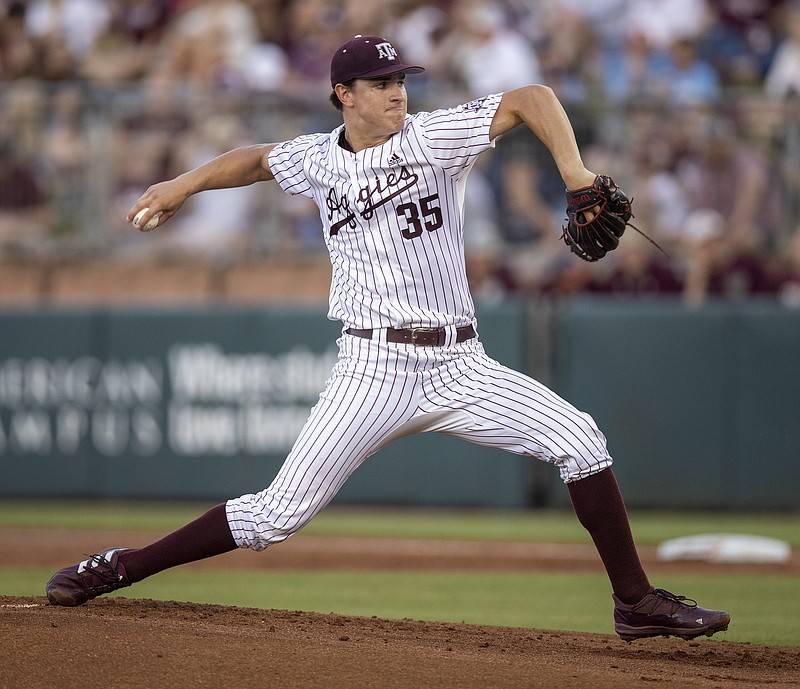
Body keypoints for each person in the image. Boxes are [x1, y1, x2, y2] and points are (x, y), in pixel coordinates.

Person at [45, 34, 730, 643]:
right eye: (380, 83)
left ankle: (636, 602)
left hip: (461, 364)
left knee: (580, 441)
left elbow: (533, 97)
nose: (397, 91)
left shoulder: (433, 137)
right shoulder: (318, 159)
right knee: (275, 515)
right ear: (343, 94)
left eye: (401, 79)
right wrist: (182, 184)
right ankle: (122, 565)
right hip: (372, 365)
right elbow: (254, 159)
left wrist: (576, 177)